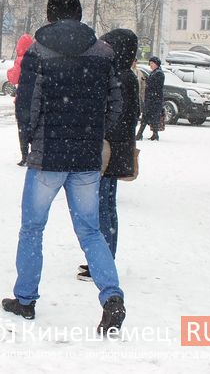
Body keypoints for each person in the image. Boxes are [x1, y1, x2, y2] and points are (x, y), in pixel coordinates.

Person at [1, 0, 126, 335]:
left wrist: (28, 141)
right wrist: (97, 132)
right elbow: (117, 102)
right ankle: (112, 297)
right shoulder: (103, 52)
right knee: (90, 231)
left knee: (32, 228)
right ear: (80, 14)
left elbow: (27, 105)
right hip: (85, 157)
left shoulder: (37, 51)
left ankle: (25, 299)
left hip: (47, 156)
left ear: (50, 14)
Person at [77, 29, 140, 281]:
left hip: (109, 149)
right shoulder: (126, 76)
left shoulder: (121, 77)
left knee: (102, 207)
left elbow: (115, 116)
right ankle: (103, 259)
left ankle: (102, 263)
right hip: (116, 149)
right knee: (106, 206)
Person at [7, 33, 34, 166]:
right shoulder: (37, 58)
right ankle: (35, 154)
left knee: (22, 128)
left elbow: (13, 78)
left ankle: (24, 156)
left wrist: (9, 71)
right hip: (34, 98)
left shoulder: (20, 60)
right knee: (33, 127)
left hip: (22, 98)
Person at [136, 56, 164, 141]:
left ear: (156, 64)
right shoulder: (155, 72)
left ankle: (140, 135)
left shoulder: (159, 73)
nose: (150, 65)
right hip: (152, 99)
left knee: (147, 117)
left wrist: (147, 81)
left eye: (152, 63)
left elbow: (155, 86)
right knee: (151, 117)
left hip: (154, 99)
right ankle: (154, 135)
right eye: (150, 63)